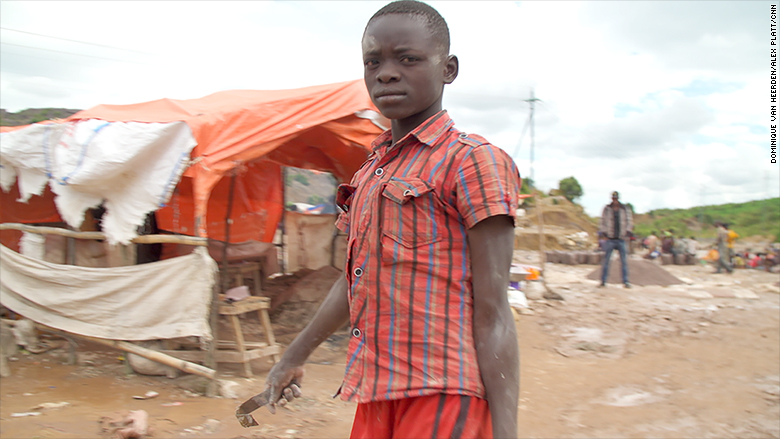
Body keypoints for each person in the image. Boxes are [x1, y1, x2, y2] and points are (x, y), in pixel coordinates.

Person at [260, 2, 522, 438]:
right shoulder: (369, 173)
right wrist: (293, 356)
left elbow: (494, 313)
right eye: (373, 61)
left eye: (408, 58)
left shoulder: (473, 162)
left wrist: (506, 432)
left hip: (443, 394)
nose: (386, 73)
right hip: (376, 392)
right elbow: (354, 281)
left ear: (449, 69)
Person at [598, 191, 633, 288]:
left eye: (616, 198)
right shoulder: (607, 209)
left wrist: (628, 230)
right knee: (606, 261)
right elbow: (602, 221)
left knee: (624, 261)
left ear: (618, 198)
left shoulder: (624, 209)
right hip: (610, 238)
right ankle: (603, 281)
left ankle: (626, 281)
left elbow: (629, 221)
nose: (615, 200)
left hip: (621, 238)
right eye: (613, 198)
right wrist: (604, 231)